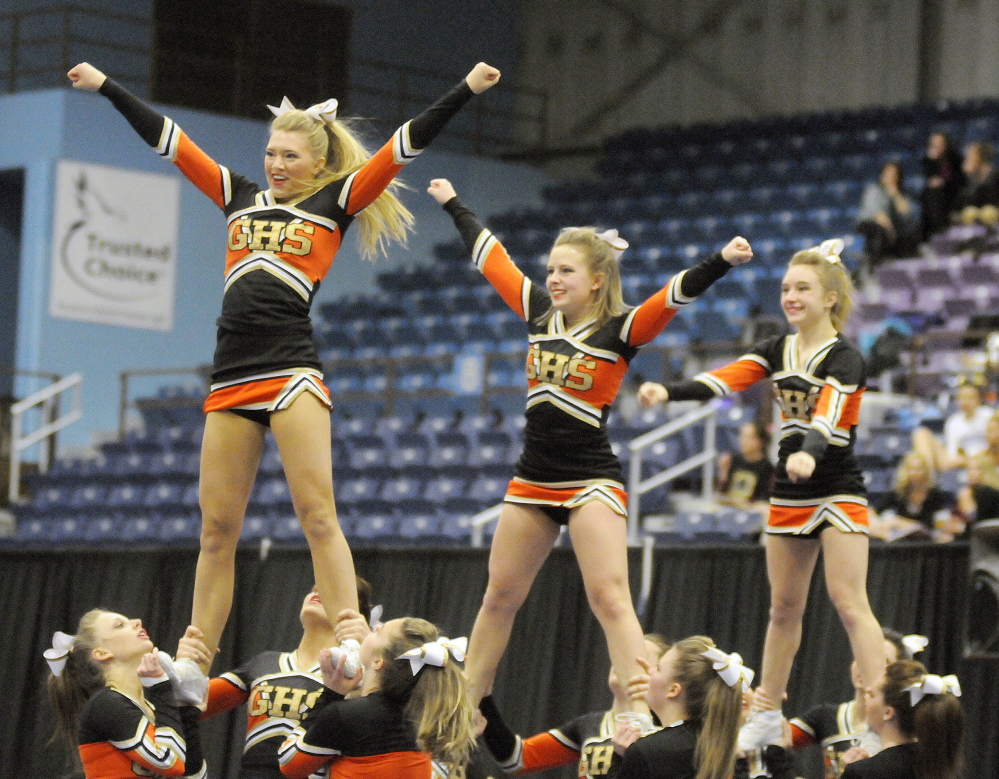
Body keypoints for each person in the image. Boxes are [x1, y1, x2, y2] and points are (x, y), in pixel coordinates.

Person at [66, 60, 501, 678]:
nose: (276, 164)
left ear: (318, 164)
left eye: (290, 156)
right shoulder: (238, 196)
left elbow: (404, 144)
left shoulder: (336, 201)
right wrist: (106, 86)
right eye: (271, 153)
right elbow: (172, 142)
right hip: (230, 377)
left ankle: (352, 640)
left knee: (317, 515)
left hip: (291, 371)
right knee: (217, 530)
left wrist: (467, 89)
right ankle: (193, 662)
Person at [427, 177, 754, 718]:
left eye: (566, 271)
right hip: (533, 478)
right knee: (498, 597)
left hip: (589, 480)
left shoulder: (621, 330)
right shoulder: (538, 313)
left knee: (610, 599)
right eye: (551, 270)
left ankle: (641, 716)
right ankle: (464, 711)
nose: (553, 279)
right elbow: (493, 259)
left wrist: (720, 260)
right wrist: (454, 204)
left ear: (598, 281)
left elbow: (673, 295)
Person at [638, 239, 887, 752]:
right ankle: (769, 712)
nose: (791, 296)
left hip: (836, 486)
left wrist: (809, 454)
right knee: (782, 609)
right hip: (790, 491)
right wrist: (670, 393)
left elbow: (828, 415)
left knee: (849, 602)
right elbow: (725, 379)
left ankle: (881, 713)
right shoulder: (777, 348)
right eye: (786, 288)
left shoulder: (846, 357)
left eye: (803, 288)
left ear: (831, 298)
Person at [202, 579, 374, 778]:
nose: (317, 592)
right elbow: (191, 704)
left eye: (329, 591)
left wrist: (368, 651)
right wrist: (190, 662)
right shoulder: (265, 663)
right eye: (314, 588)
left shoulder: (359, 674)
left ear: (356, 616)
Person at [277, 617, 477, 778]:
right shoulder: (419, 719)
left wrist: (331, 694)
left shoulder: (347, 716)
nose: (376, 626)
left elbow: (289, 763)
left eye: (379, 631)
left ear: (378, 662)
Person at [46, 609, 211, 778]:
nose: (137, 621)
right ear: (102, 653)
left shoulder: (150, 707)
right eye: (120, 625)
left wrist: (185, 710)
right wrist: (162, 688)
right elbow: (169, 762)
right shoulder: (105, 705)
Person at [477, 634, 671, 778]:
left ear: (659, 675)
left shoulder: (671, 728)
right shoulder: (589, 725)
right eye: (621, 652)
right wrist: (484, 699)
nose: (623, 660)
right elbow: (516, 758)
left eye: (637, 656)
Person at [610, 636, 760, 779]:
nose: (650, 672)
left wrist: (619, 760)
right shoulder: (726, 751)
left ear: (673, 690)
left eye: (658, 668)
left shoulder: (648, 752)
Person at [787, 629, 924, 776]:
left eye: (882, 662)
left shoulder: (905, 733)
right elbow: (776, 743)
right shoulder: (826, 717)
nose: (864, 666)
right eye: (860, 657)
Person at [841, 661, 963, 779]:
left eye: (872, 695)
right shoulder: (943, 771)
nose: (866, 697)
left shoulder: (863, 772)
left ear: (888, 712)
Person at [911, 382, 993, 474]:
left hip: (984, 459)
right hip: (960, 461)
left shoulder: (988, 415)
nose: (966, 402)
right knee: (921, 434)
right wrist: (963, 459)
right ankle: (928, 476)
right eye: (962, 397)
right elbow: (952, 453)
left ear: (979, 399)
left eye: (970, 398)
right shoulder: (953, 422)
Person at [870, 453, 954, 542]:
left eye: (918, 469)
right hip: (901, 540)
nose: (914, 473)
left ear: (925, 471)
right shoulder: (899, 492)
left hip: (926, 539)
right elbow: (876, 511)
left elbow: (932, 524)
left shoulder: (934, 494)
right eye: (911, 469)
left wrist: (899, 522)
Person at [854, 161, 919, 274]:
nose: (891, 177)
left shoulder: (900, 194)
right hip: (870, 225)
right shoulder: (873, 190)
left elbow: (907, 215)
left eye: (894, 175)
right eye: (888, 174)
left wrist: (896, 196)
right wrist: (890, 230)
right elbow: (878, 215)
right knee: (878, 230)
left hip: (893, 228)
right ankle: (873, 269)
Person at [717, 420, 775, 511]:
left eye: (749, 437)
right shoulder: (732, 461)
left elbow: (765, 501)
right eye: (742, 436)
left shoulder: (767, 468)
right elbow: (722, 494)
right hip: (731, 509)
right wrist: (723, 471)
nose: (744, 441)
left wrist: (747, 505)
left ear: (760, 441)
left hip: (753, 511)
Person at [920, 132, 965, 240]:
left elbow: (960, 178)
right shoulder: (928, 160)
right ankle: (933, 232)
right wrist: (933, 161)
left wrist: (944, 181)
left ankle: (941, 228)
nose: (937, 147)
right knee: (929, 194)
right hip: (938, 193)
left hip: (953, 189)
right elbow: (930, 179)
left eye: (940, 144)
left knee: (935, 194)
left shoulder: (955, 158)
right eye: (934, 144)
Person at [954, 141, 999, 223]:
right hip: (973, 213)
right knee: (969, 213)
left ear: (980, 157)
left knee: (988, 212)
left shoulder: (995, 174)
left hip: (991, 213)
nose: (968, 158)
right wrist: (966, 175)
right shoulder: (970, 175)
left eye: (971, 155)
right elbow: (965, 199)